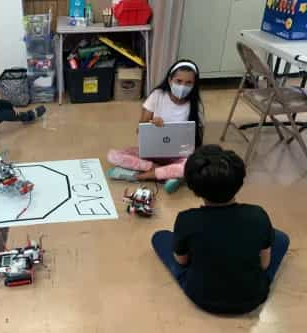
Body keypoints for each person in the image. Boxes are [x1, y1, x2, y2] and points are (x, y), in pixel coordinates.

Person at [151, 145, 290, 314]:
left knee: (160, 237)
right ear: (239, 182)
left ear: (194, 189)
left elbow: (182, 261)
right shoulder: (258, 215)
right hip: (253, 297)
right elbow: (264, 264)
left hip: (201, 296)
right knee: (281, 238)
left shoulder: (187, 219)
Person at [107, 59, 204, 192]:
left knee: (191, 165)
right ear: (170, 80)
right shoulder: (157, 96)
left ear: (194, 85)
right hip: (152, 152)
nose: (182, 86)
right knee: (113, 155)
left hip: (178, 155)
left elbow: (196, 140)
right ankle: (167, 175)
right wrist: (152, 124)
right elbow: (140, 130)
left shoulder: (194, 105)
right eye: (179, 81)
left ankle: (141, 176)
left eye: (188, 83)